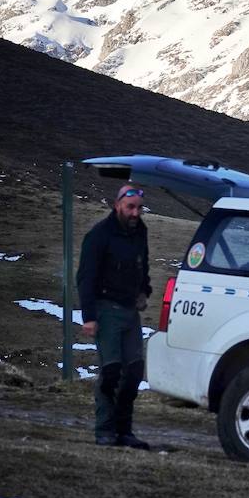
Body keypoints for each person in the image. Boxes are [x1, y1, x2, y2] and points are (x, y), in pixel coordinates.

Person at [77, 184, 153, 448]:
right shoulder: (99, 235)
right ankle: (104, 430)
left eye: (139, 208)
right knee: (111, 371)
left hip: (131, 312)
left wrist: (144, 290)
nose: (135, 213)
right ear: (117, 204)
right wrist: (89, 316)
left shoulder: (140, 231)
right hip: (105, 309)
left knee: (133, 371)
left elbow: (143, 264)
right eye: (130, 207)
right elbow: (86, 277)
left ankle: (124, 431)